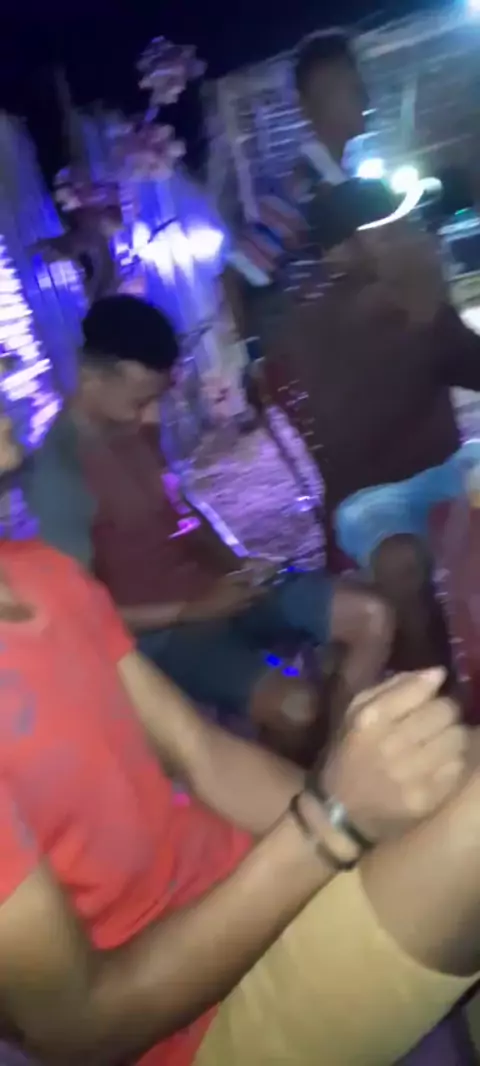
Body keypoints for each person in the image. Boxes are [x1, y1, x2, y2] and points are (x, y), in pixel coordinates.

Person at [0, 405, 480, 1066]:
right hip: (185, 1027)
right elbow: (82, 1028)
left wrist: (371, 821)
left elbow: (203, 754)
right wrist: (331, 822)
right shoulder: (67, 474)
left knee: (454, 767)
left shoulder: (42, 575)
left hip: (254, 883)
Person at [27, 294, 391, 757]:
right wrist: (190, 610)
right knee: (296, 707)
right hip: (162, 636)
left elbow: (181, 511)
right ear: (92, 375)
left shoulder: (133, 427)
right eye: (141, 400)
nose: (151, 414)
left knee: (371, 616)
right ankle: (311, 778)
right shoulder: (60, 473)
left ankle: (337, 761)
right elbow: (79, 612)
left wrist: (239, 565)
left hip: (218, 594)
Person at [262, 30, 480, 674]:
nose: (406, 236)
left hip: (443, 461)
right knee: (401, 563)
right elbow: (244, 279)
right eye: (388, 232)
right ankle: (433, 686)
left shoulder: (416, 300)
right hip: (372, 490)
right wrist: (261, 357)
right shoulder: (297, 196)